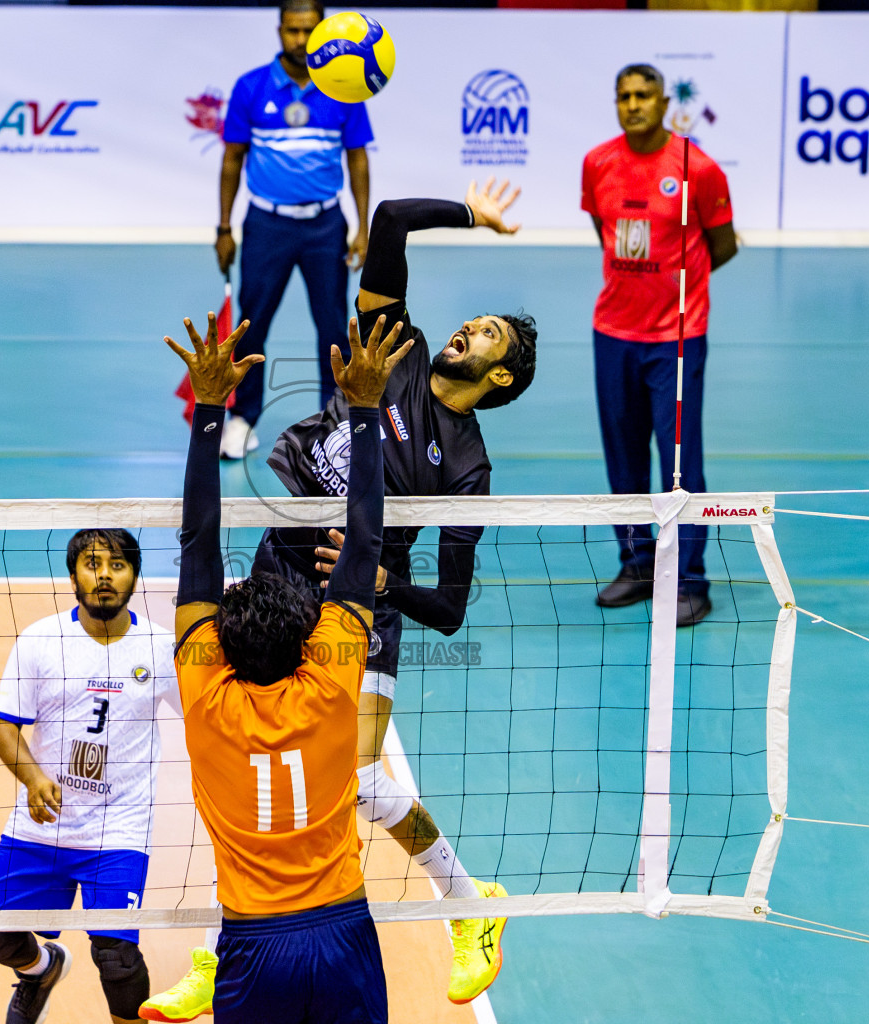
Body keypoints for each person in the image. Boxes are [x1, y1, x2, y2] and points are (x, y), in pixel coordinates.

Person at [143, 179, 536, 1021]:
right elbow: (389, 219)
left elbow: (452, 608)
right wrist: (474, 216)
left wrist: (390, 584)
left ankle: (468, 908)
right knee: (246, 767)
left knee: (352, 782)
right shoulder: (397, 348)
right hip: (282, 564)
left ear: (499, 376)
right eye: (476, 321)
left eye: (489, 335)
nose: (469, 328)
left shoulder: (467, 470)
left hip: (364, 605)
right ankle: (228, 941)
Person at [159, 306, 407, 1024]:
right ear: (308, 643)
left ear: (222, 650)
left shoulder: (208, 697)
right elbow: (365, 541)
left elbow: (197, 543)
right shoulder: (330, 685)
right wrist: (364, 410)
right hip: (341, 934)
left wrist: (210, 407)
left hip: (253, 944)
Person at [0, 529, 180, 1024]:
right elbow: (4, 729)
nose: (104, 574)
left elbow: (208, 714)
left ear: (134, 575)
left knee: (117, 959)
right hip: (43, 822)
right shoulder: (40, 640)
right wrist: (34, 778)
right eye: (91, 563)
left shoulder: (159, 647)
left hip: (119, 829)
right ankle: (41, 970)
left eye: (117, 564)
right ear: (72, 577)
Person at [581, 63, 738, 628]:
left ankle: (692, 580)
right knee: (623, 461)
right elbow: (604, 230)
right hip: (612, 335)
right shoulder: (597, 163)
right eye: (623, 95)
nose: (633, 104)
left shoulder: (698, 167)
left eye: (644, 95)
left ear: (665, 101)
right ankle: (638, 564)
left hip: (675, 339)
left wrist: (681, 290)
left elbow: (723, 245)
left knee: (679, 463)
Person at [214, 0, 374, 460]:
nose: (300, 41)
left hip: (326, 226)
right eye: (291, 31)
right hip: (266, 225)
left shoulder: (344, 87)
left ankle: (336, 419)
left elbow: (358, 158)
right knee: (251, 326)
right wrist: (225, 226)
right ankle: (243, 418)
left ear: (322, 32)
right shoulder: (251, 87)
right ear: (279, 30)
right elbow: (232, 159)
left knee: (333, 329)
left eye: (308, 31)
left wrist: (362, 226)